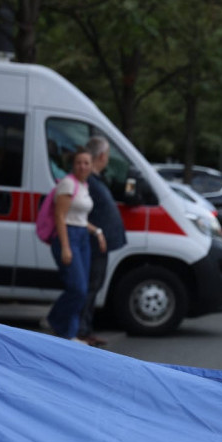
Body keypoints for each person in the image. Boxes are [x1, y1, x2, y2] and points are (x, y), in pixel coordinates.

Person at [77, 136, 127, 347]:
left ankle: (85, 329)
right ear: (103, 156)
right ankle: (81, 330)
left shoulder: (95, 180)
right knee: (90, 286)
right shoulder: (89, 182)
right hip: (93, 243)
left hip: (100, 242)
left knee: (93, 286)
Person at [46, 150, 101, 342]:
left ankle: (70, 332)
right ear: (73, 165)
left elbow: (80, 218)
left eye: (86, 163)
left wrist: (97, 232)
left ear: (91, 165)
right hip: (68, 237)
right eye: (79, 163)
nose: (82, 166)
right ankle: (57, 321)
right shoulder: (68, 183)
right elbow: (60, 216)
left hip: (82, 237)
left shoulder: (83, 185)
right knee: (77, 288)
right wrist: (66, 247)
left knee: (82, 289)